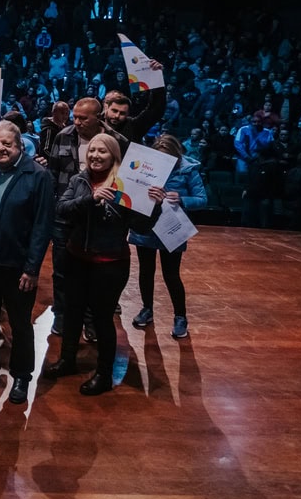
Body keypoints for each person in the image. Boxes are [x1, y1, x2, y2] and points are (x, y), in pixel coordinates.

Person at [47, 133, 164, 396]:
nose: (95, 156)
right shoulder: (79, 180)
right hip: (76, 258)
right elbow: (62, 209)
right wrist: (91, 198)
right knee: (73, 313)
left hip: (110, 263)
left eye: (102, 151)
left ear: (114, 156)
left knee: (102, 318)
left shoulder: (126, 186)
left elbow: (141, 227)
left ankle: (104, 374)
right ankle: (67, 360)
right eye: (92, 150)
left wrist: (154, 206)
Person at [0, 121, 53, 404]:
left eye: (7, 143)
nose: (1, 148)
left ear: (19, 146)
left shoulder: (37, 175)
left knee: (20, 324)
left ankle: (22, 377)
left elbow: (42, 226)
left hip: (17, 266)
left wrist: (32, 268)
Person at [40, 97, 129, 338]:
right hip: (67, 212)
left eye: (83, 118)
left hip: (101, 217)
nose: (77, 122)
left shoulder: (117, 141)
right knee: (61, 269)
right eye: (75, 117)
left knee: (94, 272)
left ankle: (91, 320)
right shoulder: (63, 136)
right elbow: (53, 173)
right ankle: (61, 314)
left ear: (97, 117)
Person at [128, 134, 206, 339]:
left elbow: (202, 199)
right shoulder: (146, 168)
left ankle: (180, 317)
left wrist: (182, 199)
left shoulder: (188, 170)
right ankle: (147, 309)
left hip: (172, 227)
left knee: (171, 274)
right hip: (146, 224)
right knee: (146, 271)